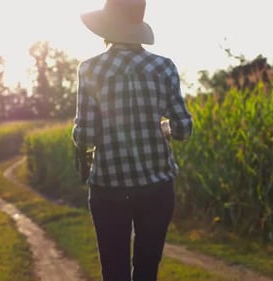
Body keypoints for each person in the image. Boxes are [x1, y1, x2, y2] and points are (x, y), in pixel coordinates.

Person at [72, 0, 193, 280]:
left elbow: (86, 135)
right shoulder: (164, 67)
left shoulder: (90, 69)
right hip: (157, 187)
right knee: (146, 271)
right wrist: (159, 128)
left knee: (114, 272)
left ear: (106, 27)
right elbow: (183, 128)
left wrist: (77, 132)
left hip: (109, 188)